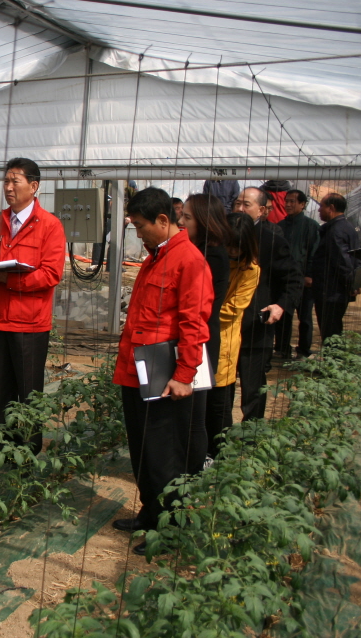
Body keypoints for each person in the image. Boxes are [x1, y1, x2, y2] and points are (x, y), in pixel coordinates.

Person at [112, 187, 212, 556]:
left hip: (163, 373)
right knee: (142, 449)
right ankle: (151, 512)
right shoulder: (157, 256)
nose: (138, 234)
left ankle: (168, 530)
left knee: (165, 453)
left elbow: (194, 323)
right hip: (138, 369)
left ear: (164, 221)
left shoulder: (189, 260)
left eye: (140, 227)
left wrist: (184, 374)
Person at [0, 158, 66, 455]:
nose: (8, 187)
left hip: (30, 323)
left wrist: (9, 280)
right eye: (5, 181)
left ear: (34, 186)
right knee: (0, 390)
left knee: (28, 391)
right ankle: (4, 445)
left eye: (15, 181)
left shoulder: (50, 226)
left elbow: (52, 274)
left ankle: (28, 452)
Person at [233, 187, 303, 421]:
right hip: (226, 324)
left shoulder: (272, 240)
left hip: (256, 325)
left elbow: (293, 279)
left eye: (246, 205)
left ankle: (250, 436)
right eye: (237, 204)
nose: (240, 209)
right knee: (220, 386)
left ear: (262, 210)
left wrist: (281, 306)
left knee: (252, 387)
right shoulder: (221, 236)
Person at [178, 194, 231, 473]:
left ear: (205, 221)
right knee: (189, 410)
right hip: (199, 335)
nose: (181, 221)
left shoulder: (211, 255)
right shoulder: (199, 249)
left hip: (201, 338)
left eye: (187, 217)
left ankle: (195, 466)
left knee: (196, 411)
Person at [206, 213, 260, 459]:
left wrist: (200, 314)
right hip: (203, 334)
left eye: (236, 247)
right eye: (227, 245)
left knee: (219, 403)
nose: (230, 251)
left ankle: (218, 455)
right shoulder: (213, 258)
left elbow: (232, 309)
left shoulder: (250, 269)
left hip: (224, 339)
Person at [307, 192, 358, 345]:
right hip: (335, 290)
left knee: (330, 331)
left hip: (331, 291)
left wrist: (350, 283)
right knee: (333, 329)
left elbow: (342, 262)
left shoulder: (336, 231)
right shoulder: (346, 227)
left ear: (331, 208)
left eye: (321, 206)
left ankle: (332, 363)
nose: (319, 210)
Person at [275, 189, 319, 358]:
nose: (288, 204)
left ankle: (303, 349)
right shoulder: (281, 226)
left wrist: (309, 274)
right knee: (284, 314)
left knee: (305, 317)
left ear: (302, 204)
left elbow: (314, 253)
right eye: (287, 201)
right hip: (285, 279)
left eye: (293, 201)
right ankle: (282, 348)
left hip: (303, 279)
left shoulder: (311, 226)